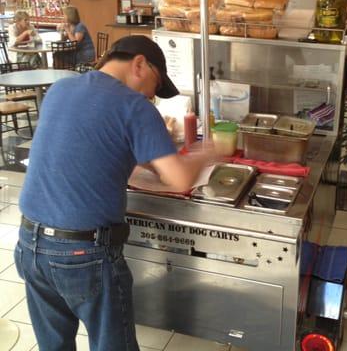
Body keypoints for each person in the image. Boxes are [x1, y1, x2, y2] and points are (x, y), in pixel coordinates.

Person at [15, 35, 214, 350]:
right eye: (153, 86)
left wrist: (152, 157)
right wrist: (209, 152)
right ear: (138, 64)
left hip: (29, 246)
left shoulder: (62, 89)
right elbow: (180, 181)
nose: (151, 97)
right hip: (84, 256)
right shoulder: (134, 106)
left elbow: (87, 146)